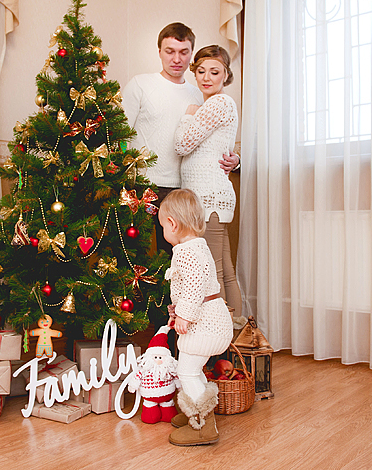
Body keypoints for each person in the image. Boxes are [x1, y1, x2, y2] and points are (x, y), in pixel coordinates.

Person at [122, 23, 240, 255]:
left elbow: (213, 139)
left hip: (183, 190)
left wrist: (235, 160)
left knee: (176, 260)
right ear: (159, 52)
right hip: (142, 186)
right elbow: (119, 134)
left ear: (191, 54)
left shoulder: (201, 93)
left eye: (184, 52)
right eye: (170, 51)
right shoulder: (140, 84)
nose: (176, 59)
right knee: (136, 256)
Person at [159, 188, 232, 446]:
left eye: (162, 227)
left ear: (172, 224)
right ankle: (196, 412)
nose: (163, 231)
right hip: (211, 320)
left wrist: (185, 316)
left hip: (206, 325)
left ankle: (203, 425)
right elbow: (188, 290)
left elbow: (194, 286)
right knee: (193, 369)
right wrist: (177, 314)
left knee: (186, 372)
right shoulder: (197, 246)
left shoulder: (186, 252)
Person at [174, 45, 242, 317]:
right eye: (201, 71)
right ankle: (235, 331)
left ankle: (219, 334)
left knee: (213, 273)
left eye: (215, 72)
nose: (206, 77)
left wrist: (188, 115)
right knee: (224, 271)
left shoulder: (218, 103)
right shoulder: (216, 105)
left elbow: (181, 144)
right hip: (214, 197)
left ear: (226, 75)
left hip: (209, 199)